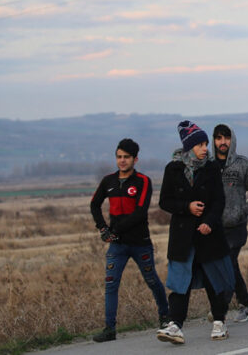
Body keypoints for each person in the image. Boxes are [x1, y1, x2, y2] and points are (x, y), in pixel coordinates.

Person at [157, 121, 233, 344]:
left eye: (205, 144)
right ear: (189, 147)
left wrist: (209, 222)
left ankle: (219, 322)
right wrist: (186, 207)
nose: (205, 148)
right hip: (183, 237)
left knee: (213, 279)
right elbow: (165, 201)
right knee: (180, 282)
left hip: (208, 234)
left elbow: (219, 200)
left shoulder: (211, 168)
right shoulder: (173, 169)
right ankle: (175, 325)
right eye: (200, 144)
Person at [89, 138, 169, 343]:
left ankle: (166, 318)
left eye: (126, 157)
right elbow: (94, 205)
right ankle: (109, 329)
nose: (122, 161)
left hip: (140, 243)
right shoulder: (108, 181)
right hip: (117, 246)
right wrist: (103, 229)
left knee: (152, 281)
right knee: (110, 284)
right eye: (119, 157)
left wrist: (113, 230)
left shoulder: (143, 181)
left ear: (135, 159)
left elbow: (140, 213)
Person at [211, 124, 248, 322]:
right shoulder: (209, 165)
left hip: (237, 227)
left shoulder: (242, 164)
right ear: (214, 141)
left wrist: (243, 212)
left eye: (226, 138)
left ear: (232, 140)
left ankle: (219, 310)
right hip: (215, 227)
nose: (223, 142)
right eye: (219, 138)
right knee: (226, 267)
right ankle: (246, 303)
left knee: (229, 264)